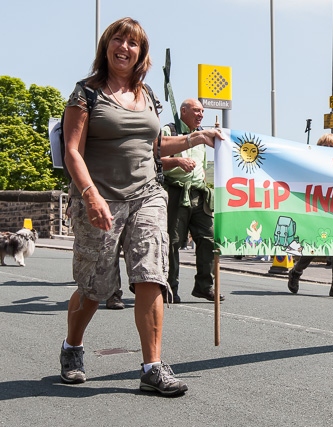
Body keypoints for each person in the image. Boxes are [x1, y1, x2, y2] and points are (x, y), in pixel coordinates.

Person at [59, 17, 224, 395]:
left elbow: (155, 147)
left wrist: (197, 137)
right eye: (118, 39)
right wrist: (90, 195)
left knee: (151, 274)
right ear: (107, 46)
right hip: (98, 198)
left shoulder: (148, 95)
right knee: (95, 287)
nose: (125, 48)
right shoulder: (86, 92)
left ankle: (152, 366)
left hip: (148, 195)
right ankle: (72, 346)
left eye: (133, 43)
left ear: (141, 53)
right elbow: (72, 151)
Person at [161, 98, 224, 303]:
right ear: (183, 111)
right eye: (196, 110)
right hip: (175, 192)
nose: (201, 115)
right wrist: (177, 161)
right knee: (172, 242)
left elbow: (203, 166)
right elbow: (155, 161)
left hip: (199, 194)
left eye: (203, 111)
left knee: (209, 239)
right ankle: (169, 287)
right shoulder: (168, 131)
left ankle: (204, 286)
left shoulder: (203, 135)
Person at [287, 133, 333, 298]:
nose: (328, 149)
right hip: (316, 209)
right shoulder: (311, 164)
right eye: (325, 146)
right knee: (315, 244)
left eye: (332, 146)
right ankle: (296, 271)